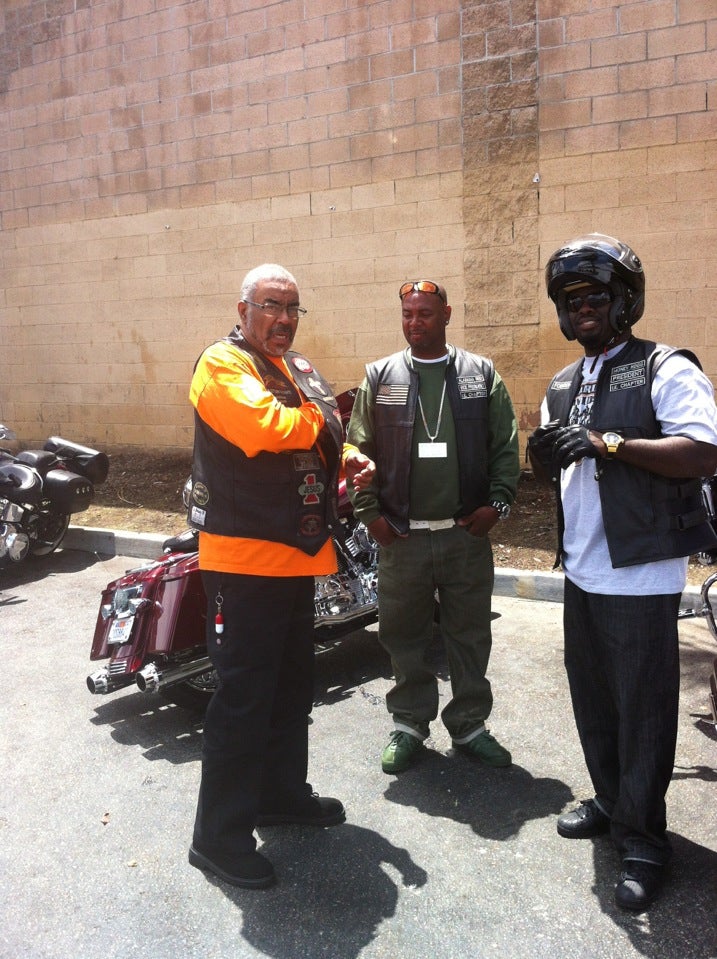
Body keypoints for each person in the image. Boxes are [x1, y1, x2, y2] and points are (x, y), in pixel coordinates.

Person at [527, 233, 717, 912]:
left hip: (638, 575)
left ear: (624, 301)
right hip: (582, 570)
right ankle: (611, 800)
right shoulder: (561, 383)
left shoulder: (664, 366)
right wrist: (543, 455)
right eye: (571, 299)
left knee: (642, 713)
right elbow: (557, 469)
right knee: (596, 703)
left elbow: (701, 451)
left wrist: (608, 442)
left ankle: (644, 839)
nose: (583, 308)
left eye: (595, 296)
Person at [186, 263, 375, 889]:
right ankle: (218, 838)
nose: (284, 319)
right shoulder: (222, 364)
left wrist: (350, 457)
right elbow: (264, 429)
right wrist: (326, 419)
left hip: (297, 557)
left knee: (292, 689)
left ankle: (280, 794)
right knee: (243, 700)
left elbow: (317, 437)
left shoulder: (296, 369)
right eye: (271, 305)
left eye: (293, 308)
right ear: (243, 309)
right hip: (243, 563)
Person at [347, 279, 520, 775]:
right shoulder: (380, 376)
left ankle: (469, 726)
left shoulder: (479, 374)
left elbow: (505, 446)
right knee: (403, 638)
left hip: (464, 536)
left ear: (446, 315)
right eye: (407, 314)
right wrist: (371, 516)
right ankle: (408, 725)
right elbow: (357, 448)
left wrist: (498, 506)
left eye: (424, 313)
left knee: (470, 636)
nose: (414, 322)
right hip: (403, 539)